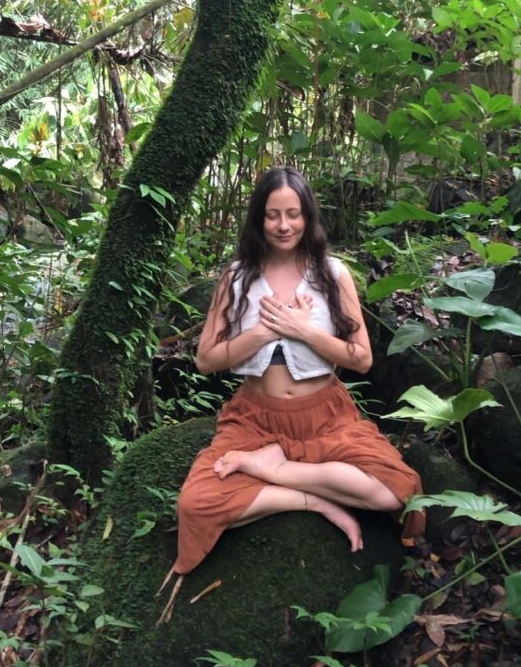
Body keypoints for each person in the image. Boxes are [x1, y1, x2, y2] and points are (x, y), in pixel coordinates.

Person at [158, 166, 424, 620]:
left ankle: (273, 470)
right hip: (254, 419)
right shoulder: (238, 278)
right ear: (258, 219)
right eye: (273, 215)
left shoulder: (331, 274)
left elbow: (360, 358)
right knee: (195, 503)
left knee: (396, 494)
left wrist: (302, 330)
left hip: (324, 415)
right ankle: (309, 494)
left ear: (308, 217)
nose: (284, 226)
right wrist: (263, 331)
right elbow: (205, 358)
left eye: (294, 214)